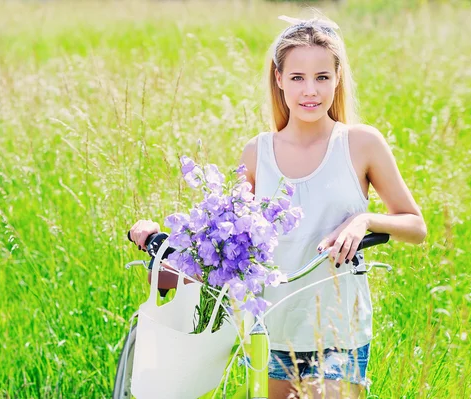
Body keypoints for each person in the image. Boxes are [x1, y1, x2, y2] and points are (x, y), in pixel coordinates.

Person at [129, 14, 426, 399]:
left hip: (339, 330)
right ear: (279, 79)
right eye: (298, 77)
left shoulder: (360, 143)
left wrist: (363, 219)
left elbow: (416, 225)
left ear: (337, 79)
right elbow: (228, 247)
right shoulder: (258, 153)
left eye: (322, 77)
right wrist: (159, 240)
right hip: (272, 329)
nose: (311, 91)